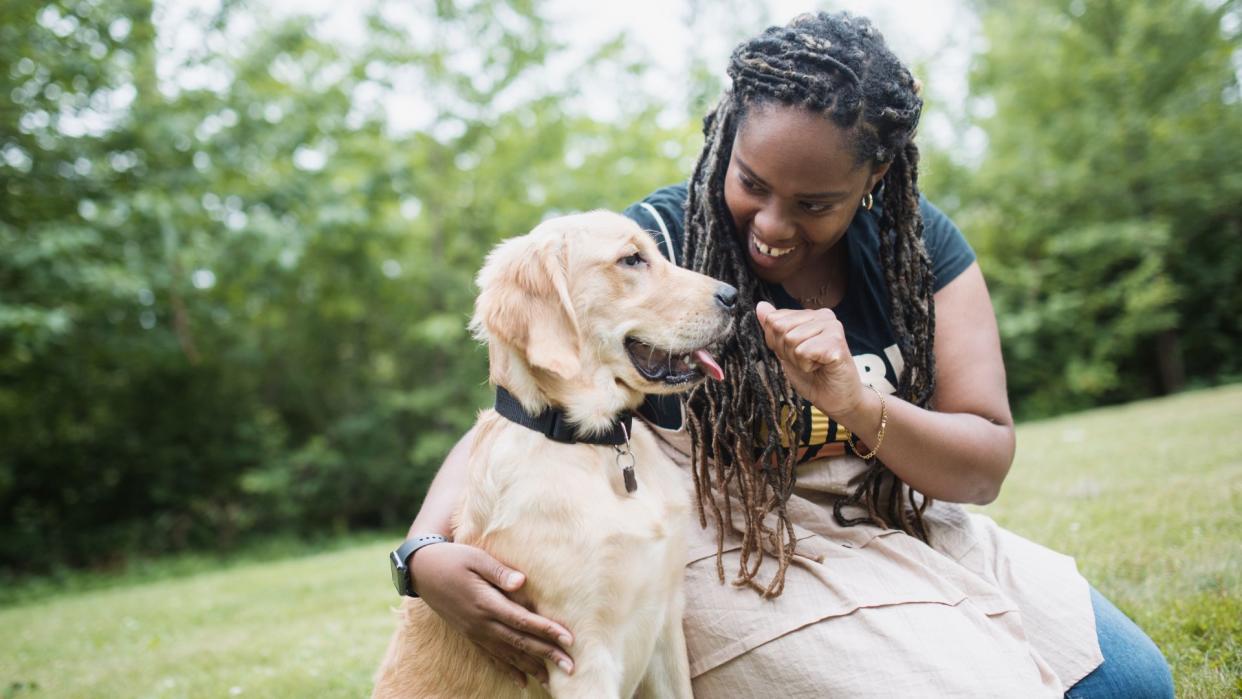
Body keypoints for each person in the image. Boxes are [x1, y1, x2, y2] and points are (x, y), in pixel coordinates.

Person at [396, 11, 1174, 698]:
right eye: (751, 182)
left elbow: (982, 463)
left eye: (813, 204)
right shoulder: (660, 248)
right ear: (727, 138)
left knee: (1135, 685)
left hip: (894, 515)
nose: (770, 224)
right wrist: (424, 553)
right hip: (739, 545)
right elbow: (533, 407)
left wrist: (858, 404)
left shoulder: (920, 249)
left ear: (873, 179)